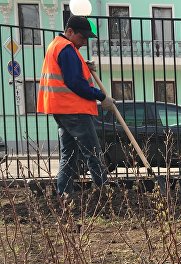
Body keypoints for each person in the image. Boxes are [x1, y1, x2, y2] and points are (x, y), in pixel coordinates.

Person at [37, 16, 115, 196]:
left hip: (61, 109)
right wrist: (101, 96)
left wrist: (84, 66)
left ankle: (64, 194)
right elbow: (75, 82)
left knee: (69, 154)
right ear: (70, 32)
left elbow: (68, 73)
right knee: (93, 152)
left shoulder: (57, 46)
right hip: (74, 109)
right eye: (82, 38)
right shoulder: (66, 49)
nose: (84, 42)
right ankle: (105, 194)